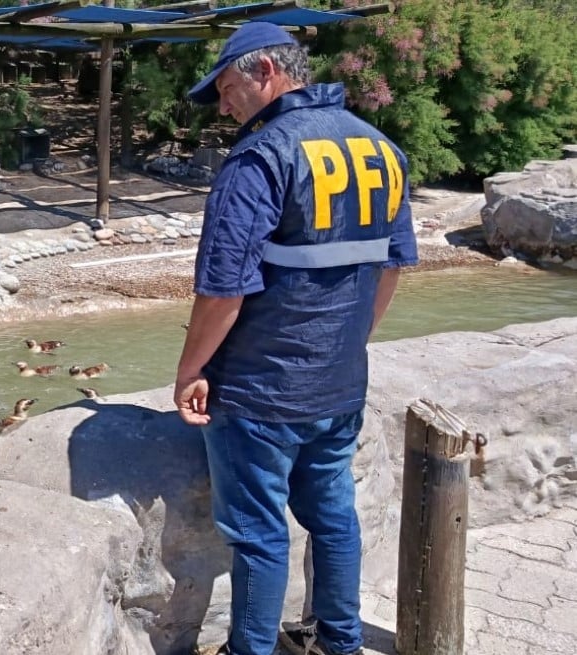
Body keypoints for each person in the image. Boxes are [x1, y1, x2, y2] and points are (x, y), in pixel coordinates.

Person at [172, 22, 419, 655]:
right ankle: (340, 643)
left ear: (264, 73)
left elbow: (224, 289)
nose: (224, 107)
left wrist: (190, 370)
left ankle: (249, 649)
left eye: (227, 89)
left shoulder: (260, 158)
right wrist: (349, 343)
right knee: (333, 516)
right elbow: (390, 267)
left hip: (261, 391)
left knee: (258, 534)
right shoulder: (382, 149)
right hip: (338, 385)